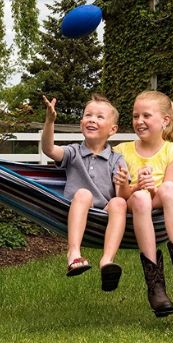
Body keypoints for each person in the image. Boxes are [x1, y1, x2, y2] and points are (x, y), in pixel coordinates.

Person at [113, 90, 173, 317]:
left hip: (158, 198)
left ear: (165, 121)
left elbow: (168, 188)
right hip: (134, 201)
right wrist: (136, 186)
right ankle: (156, 286)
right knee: (141, 198)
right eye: (135, 116)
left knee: (168, 188)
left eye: (146, 115)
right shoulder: (121, 151)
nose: (139, 121)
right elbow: (120, 195)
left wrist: (152, 187)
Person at [41, 94, 130, 291]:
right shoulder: (73, 152)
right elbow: (49, 149)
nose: (92, 119)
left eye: (99, 117)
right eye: (88, 115)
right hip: (76, 207)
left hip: (103, 213)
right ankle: (73, 253)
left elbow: (121, 196)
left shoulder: (117, 159)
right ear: (81, 123)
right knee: (83, 193)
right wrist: (50, 121)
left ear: (113, 129)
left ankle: (107, 261)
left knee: (119, 203)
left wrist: (124, 183)